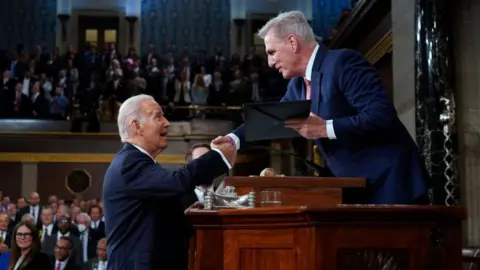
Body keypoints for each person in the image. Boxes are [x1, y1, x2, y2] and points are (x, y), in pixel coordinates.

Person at [213, 11, 429, 205]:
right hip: (359, 190)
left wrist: (325, 128)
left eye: (271, 52)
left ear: (292, 42)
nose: (270, 62)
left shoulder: (343, 63)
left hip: (393, 185)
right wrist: (233, 140)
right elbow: (269, 120)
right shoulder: (297, 86)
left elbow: (382, 116)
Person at [103, 94, 236, 270]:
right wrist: (219, 157)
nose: (166, 122)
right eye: (157, 116)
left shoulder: (141, 164)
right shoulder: (130, 163)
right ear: (137, 126)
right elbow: (177, 181)